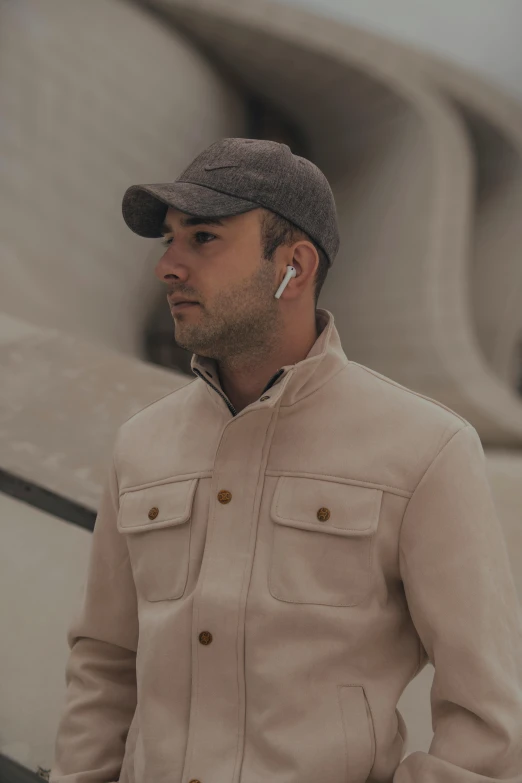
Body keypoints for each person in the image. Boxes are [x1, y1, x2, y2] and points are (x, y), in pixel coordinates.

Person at [50, 138, 522, 783]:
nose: (168, 266)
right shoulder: (142, 443)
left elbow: (490, 721)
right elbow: (105, 664)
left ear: (293, 266)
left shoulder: (425, 449)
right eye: (168, 240)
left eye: (204, 238)